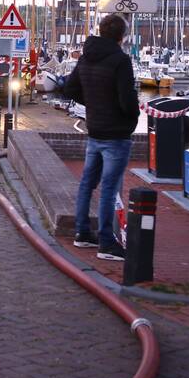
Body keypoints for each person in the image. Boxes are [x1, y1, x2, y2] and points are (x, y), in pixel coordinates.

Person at [63, 13, 139, 261]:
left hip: (94, 129)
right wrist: (132, 117)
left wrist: (93, 104)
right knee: (109, 188)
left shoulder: (86, 56)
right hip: (116, 133)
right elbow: (127, 100)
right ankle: (107, 243)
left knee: (87, 183)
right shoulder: (120, 61)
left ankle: (82, 232)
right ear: (122, 36)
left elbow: (70, 87)